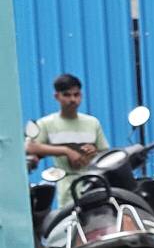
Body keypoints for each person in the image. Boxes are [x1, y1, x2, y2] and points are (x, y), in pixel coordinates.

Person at [24, 73, 107, 205]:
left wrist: (93, 152)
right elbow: (29, 147)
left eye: (76, 95)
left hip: (94, 183)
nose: (73, 99)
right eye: (67, 95)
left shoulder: (92, 123)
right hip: (67, 185)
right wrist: (66, 151)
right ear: (57, 96)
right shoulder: (46, 123)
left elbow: (105, 153)